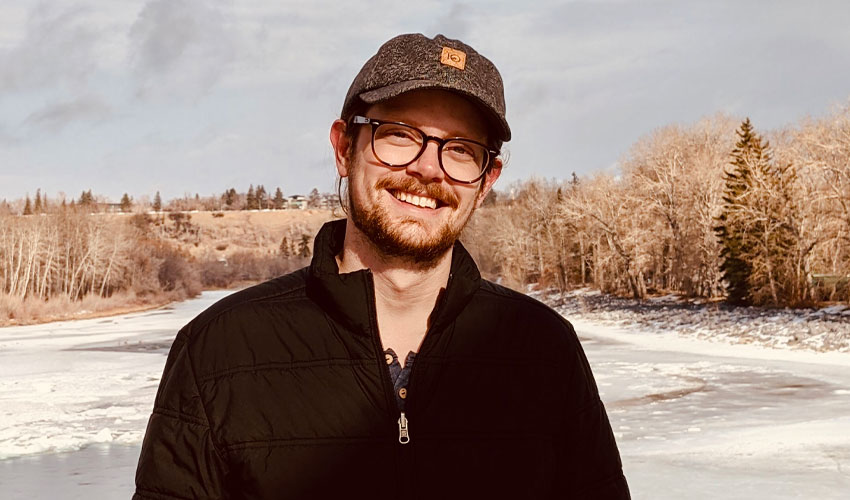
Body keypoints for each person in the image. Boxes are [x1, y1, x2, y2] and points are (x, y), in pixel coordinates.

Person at [133, 33, 630, 499]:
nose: (428, 169)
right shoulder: (220, 350)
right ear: (345, 148)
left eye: (461, 149)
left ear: (486, 180)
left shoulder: (542, 349)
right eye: (399, 135)